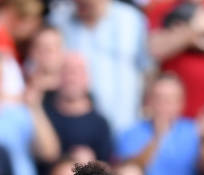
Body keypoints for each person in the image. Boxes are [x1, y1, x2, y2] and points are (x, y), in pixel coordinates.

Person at [48, 0, 152, 133]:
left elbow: (147, 69)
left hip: (125, 124)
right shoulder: (58, 20)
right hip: (76, 129)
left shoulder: (131, 19)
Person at [117, 73, 202, 175]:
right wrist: (158, 136)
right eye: (159, 99)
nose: (163, 105)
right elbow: (132, 170)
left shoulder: (193, 133)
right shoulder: (130, 134)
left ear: (180, 104)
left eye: (170, 100)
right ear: (148, 101)